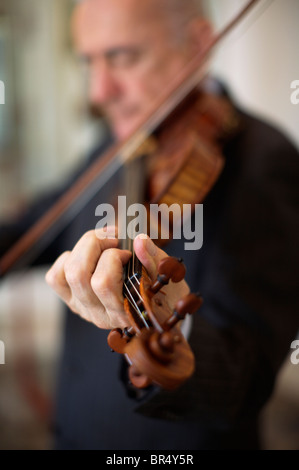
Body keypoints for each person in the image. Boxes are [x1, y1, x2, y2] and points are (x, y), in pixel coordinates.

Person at [1, 0, 299, 450]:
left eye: (122, 56)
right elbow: (39, 222)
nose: (99, 91)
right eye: (89, 61)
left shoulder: (264, 159)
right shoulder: (121, 138)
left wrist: (173, 331)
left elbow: (244, 377)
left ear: (198, 44)